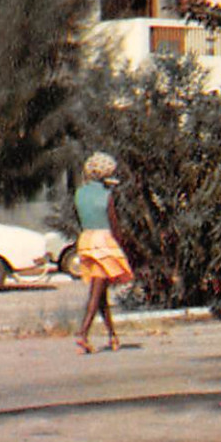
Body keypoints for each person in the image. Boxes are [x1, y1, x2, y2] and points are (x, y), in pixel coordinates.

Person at [73, 151, 133, 354]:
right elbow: (113, 223)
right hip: (103, 242)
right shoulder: (106, 196)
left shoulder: (80, 193)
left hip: (86, 240)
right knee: (96, 292)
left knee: (100, 292)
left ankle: (112, 336)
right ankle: (82, 333)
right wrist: (121, 244)